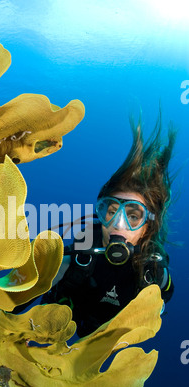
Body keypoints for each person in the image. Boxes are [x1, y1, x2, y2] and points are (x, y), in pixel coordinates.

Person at [41, 117, 175, 337]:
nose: (118, 223)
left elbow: (161, 304)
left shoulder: (154, 275)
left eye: (133, 215)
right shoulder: (74, 257)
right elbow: (25, 290)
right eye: (111, 211)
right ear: (100, 213)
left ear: (147, 227)